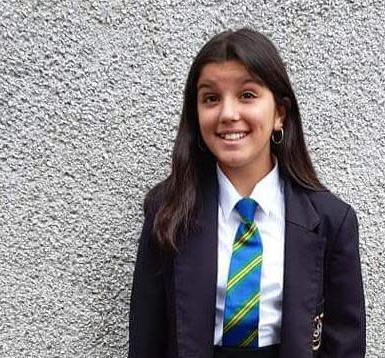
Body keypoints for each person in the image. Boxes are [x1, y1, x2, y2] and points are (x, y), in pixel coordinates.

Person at [128, 27, 365, 358]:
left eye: (247, 95)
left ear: (280, 113)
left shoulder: (331, 221)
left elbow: (345, 346)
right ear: (196, 116)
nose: (228, 114)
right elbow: (146, 340)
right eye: (211, 98)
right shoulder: (167, 210)